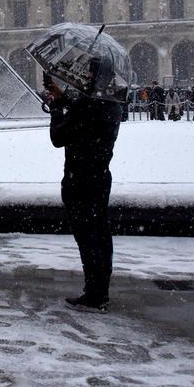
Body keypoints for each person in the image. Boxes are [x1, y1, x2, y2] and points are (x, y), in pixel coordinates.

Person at [45, 59, 122, 313]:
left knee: (87, 238)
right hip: (100, 177)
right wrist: (64, 97)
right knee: (100, 234)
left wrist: (56, 106)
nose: (86, 77)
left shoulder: (90, 105)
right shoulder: (110, 102)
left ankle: (94, 294)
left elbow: (58, 137)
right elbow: (83, 115)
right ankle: (101, 290)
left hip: (80, 180)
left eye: (90, 73)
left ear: (98, 76)